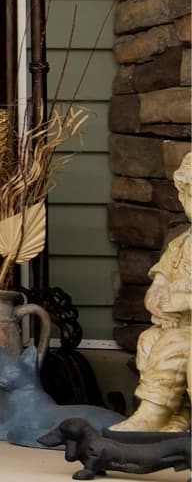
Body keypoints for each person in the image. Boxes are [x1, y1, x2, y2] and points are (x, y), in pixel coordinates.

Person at [114, 151, 191, 433]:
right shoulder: (180, 246)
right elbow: (158, 285)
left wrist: (181, 301)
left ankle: (153, 413)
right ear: (183, 198)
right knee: (149, 340)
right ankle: (177, 417)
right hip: (177, 327)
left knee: (174, 346)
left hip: (188, 329)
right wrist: (159, 303)